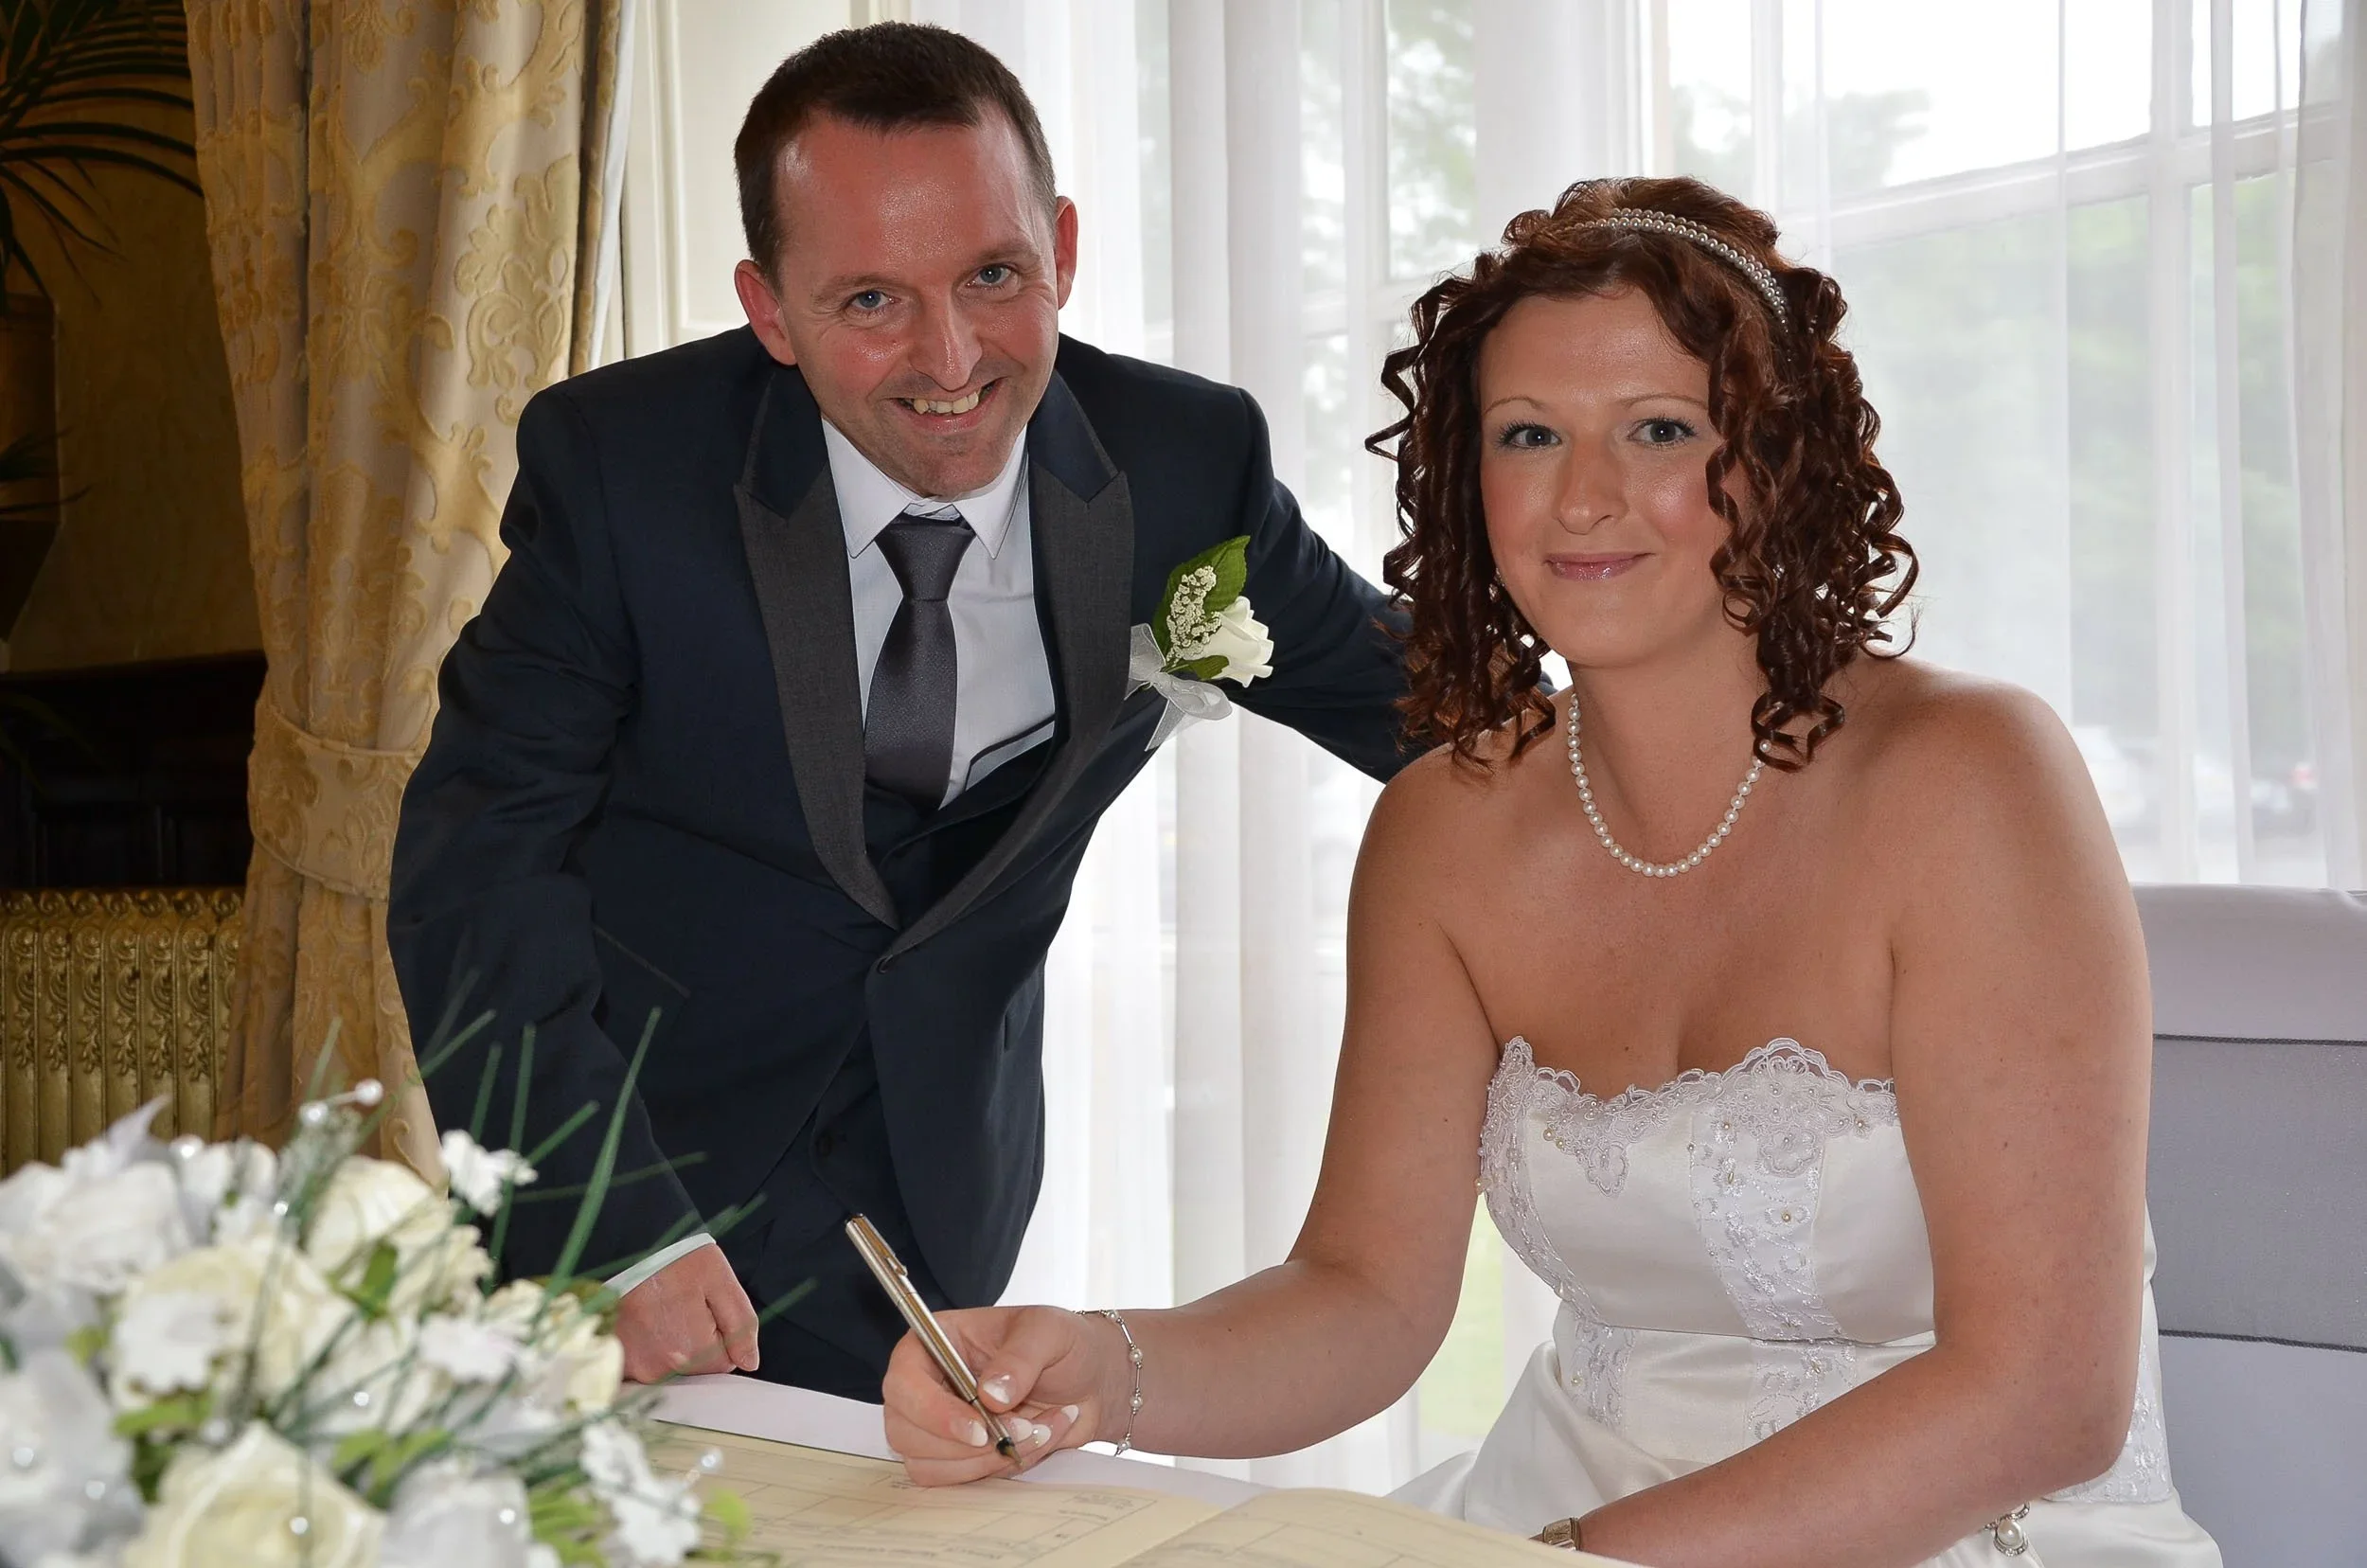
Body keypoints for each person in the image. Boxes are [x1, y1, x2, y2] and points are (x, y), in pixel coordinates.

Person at [879, 177, 2223, 1568]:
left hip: (1954, 1526)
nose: (1586, 495)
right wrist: (1098, 1365)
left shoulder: (1974, 780)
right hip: (1547, 1516)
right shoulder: (1443, 832)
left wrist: (1587, 1562)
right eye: (1530, 435)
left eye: (1659, 429)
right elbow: (1363, 1298)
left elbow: (2048, 1394)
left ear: (1772, 461)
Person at [386, 23, 1410, 1401]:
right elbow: (474, 863)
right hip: (628, 1172)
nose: (952, 357)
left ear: (1062, 246)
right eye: (870, 300)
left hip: (935, 1204)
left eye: (994, 274)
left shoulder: (1181, 467)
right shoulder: (625, 472)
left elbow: (1430, 713)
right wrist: (608, 1236)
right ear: (769, 309)